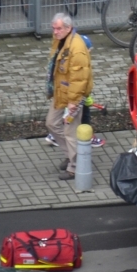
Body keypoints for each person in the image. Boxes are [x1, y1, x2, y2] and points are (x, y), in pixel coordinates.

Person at [44, 12, 93, 180]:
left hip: (73, 96)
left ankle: (75, 167)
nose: (55, 32)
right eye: (53, 28)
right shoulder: (61, 40)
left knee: (70, 132)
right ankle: (71, 154)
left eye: (58, 29)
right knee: (51, 123)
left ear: (68, 28)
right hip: (61, 92)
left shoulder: (77, 48)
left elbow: (79, 78)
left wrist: (73, 101)